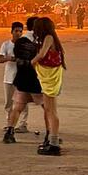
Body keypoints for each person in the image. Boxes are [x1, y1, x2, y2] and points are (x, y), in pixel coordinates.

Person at [3, 16, 46, 144]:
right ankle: (51, 135)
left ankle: (9, 133)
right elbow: (40, 58)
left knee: (17, 107)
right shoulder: (38, 42)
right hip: (35, 79)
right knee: (47, 107)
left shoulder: (20, 41)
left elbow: (18, 58)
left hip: (21, 78)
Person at [32, 17, 66, 156]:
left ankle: (54, 143)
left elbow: (42, 54)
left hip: (50, 78)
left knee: (51, 111)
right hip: (50, 77)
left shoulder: (48, 37)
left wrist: (32, 62)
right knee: (49, 109)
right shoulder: (52, 38)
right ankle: (53, 140)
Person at [0, 22, 29, 133]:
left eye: (20, 31)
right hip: (9, 77)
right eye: (16, 31)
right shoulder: (6, 45)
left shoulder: (25, 45)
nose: (18, 33)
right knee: (9, 103)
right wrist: (9, 58)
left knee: (22, 102)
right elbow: (0, 59)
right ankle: (9, 123)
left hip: (21, 78)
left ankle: (23, 124)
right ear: (11, 32)